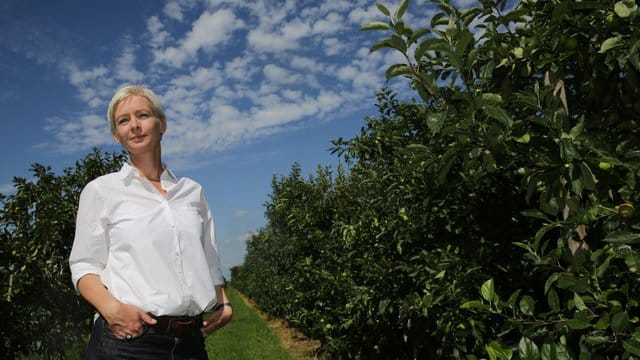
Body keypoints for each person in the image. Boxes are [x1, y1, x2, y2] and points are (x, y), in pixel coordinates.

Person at [69, 84, 232, 359]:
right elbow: (83, 265)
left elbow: (209, 258)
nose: (134, 125)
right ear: (116, 136)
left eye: (142, 115)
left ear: (162, 124)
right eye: (124, 120)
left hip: (190, 344)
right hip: (127, 342)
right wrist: (112, 309)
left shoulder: (192, 191)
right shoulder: (101, 190)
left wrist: (223, 303)